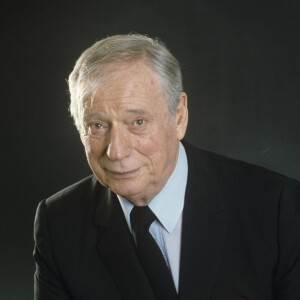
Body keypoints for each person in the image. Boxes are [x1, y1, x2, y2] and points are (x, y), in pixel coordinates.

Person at [33, 34, 300, 300]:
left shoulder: (276, 208)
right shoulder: (58, 223)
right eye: (97, 126)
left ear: (180, 117)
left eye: (137, 122)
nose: (116, 151)